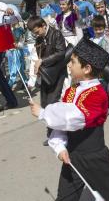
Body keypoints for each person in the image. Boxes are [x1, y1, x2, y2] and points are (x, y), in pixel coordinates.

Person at [29, 38, 109, 201]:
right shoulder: (71, 90)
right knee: (65, 198)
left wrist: (44, 113)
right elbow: (61, 125)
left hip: (94, 157)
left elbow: (72, 118)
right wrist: (59, 147)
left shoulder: (98, 94)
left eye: (73, 62)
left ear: (87, 68)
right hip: (72, 154)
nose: (69, 65)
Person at [27, 16, 67, 145]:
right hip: (46, 74)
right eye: (34, 33)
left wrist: (43, 61)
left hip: (57, 72)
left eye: (37, 31)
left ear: (43, 25)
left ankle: (54, 134)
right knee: (44, 103)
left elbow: (61, 52)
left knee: (52, 103)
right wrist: (36, 67)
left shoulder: (56, 34)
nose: (36, 34)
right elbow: (38, 56)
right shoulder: (39, 38)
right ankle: (54, 132)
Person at [90, 16, 109, 113]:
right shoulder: (91, 40)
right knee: (96, 89)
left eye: (100, 29)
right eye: (96, 29)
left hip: (103, 69)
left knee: (103, 88)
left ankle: (108, 106)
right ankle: (102, 106)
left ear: (104, 27)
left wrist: (98, 58)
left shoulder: (107, 40)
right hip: (94, 69)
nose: (98, 31)